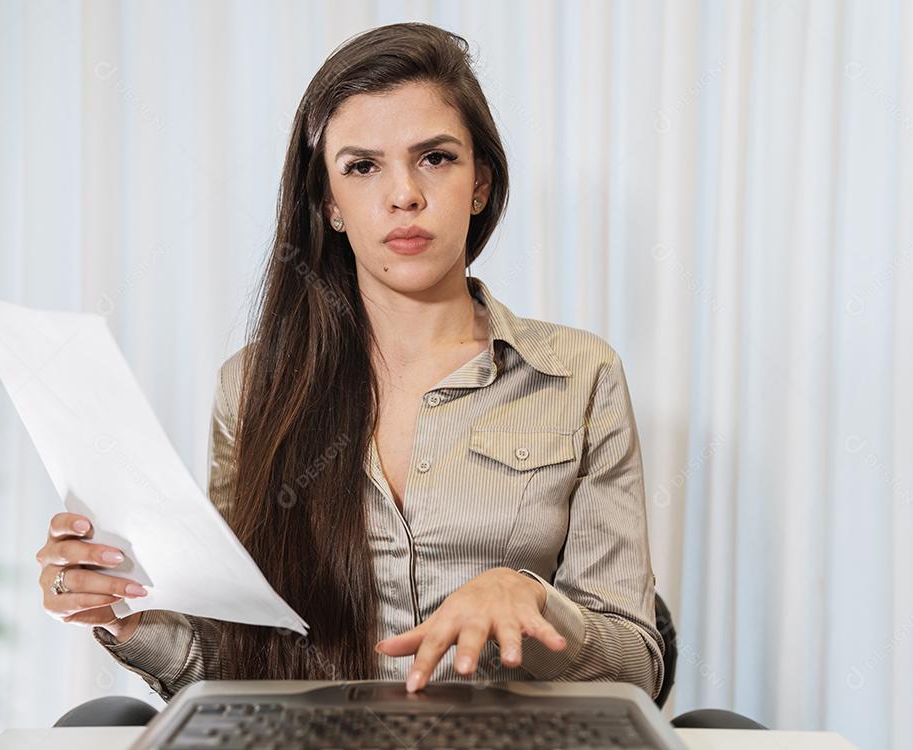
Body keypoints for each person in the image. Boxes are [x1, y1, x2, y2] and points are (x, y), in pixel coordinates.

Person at [36, 21, 664, 706]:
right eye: (363, 167)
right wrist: (128, 613)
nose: (404, 195)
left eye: (436, 158)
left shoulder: (579, 375)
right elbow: (237, 659)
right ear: (330, 205)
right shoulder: (254, 387)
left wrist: (533, 601)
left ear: (480, 183)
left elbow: (635, 667)